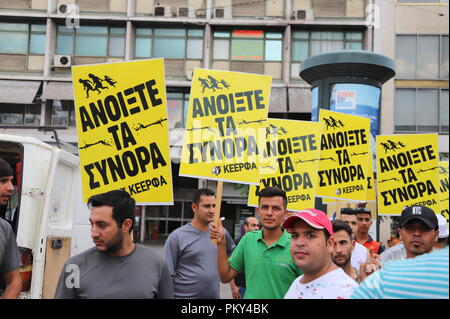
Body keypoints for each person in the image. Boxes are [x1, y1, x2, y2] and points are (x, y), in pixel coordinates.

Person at [54, 190, 173, 298]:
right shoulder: (74, 267)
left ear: (126, 225)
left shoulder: (157, 265)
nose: (93, 233)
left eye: (102, 225)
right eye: (92, 224)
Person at [210, 186, 302, 299]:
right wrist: (221, 243)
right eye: (264, 207)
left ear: (285, 213)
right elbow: (225, 277)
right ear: (258, 211)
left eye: (276, 208)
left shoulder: (296, 245)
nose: (269, 213)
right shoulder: (248, 240)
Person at [164, 188, 235, 299]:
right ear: (194, 207)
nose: (212, 211)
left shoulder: (221, 232)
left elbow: (232, 255)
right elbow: (167, 276)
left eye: (214, 206)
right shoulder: (177, 237)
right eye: (207, 206)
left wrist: (229, 278)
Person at [283, 209, 358, 299]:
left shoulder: (348, 292)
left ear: (330, 243)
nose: (299, 243)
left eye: (310, 236)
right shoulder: (297, 283)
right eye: (295, 236)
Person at [352, 247, 449, 299]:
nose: (416, 233)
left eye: (424, 229)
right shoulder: (387, 274)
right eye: (410, 228)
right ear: (401, 232)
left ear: (435, 234)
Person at [0, 158, 22, 299]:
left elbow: (15, 280)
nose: (11, 187)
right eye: (3, 181)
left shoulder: (4, 228)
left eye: (11, 180)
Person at [229, 216, 259, 299]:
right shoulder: (237, 243)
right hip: (242, 288)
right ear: (245, 227)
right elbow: (230, 266)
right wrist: (233, 287)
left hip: (257, 287)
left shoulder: (261, 243)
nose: (256, 228)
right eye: (253, 225)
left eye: (257, 225)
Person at [340, 208, 370, 272]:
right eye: (346, 223)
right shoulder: (329, 250)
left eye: (353, 223)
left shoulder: (364, 252)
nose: (350, 227)